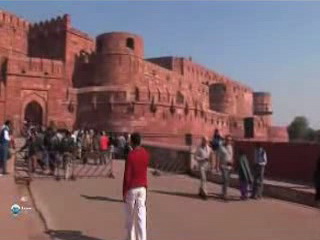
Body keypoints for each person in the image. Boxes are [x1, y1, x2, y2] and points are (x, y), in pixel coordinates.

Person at [123, 132, 149, 240]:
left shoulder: (131, 155)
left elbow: (127, 176)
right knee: (141, 216)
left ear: (132, 142)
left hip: (132, 188)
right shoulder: (145, 153)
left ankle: (131, 238)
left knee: (130, 217)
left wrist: (124, 192)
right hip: (142, 187)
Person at [218, 135, 234, 200]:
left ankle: (223, 192)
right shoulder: (221, 147)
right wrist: (217, 166)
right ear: (225, 140)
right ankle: (225, 194)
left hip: (229, 166)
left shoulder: (230, 147)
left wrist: (232, 162)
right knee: (225, 179)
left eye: (230, 140)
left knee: (227, 180)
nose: (229, 141)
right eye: (228, 140)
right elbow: (218, 156)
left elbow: (231, 156)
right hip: (223, 165)